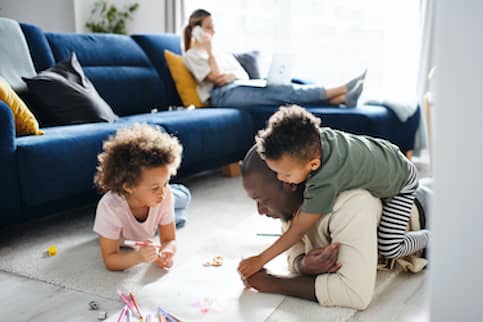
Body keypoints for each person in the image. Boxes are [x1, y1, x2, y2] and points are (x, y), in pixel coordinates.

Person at [238, 105, 430, 278]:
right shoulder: (314, 139)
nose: (280, 179)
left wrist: (260, 260)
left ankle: (430, 237)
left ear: (313, 164)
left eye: (286, 174)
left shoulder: (325, 180)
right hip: (388, 155)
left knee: (389, 245)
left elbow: (297, 230)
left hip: (403, 181)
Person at [239, 146, 429, 309]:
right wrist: (302, 264)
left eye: (262, 201)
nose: (260, 211)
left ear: (289, 181)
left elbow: (354, 293)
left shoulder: (351, 202)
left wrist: (272, 283)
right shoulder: (292, 205)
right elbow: (293, 247)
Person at [182, 9, 365, 108]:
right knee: (283, 92)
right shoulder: (192, 55)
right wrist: (210, 52)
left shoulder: (221, 52)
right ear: (196, 29)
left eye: (213, 27)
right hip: (221, 96)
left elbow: (240, 75)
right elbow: (217, 79)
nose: (213, 32)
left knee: (283, 90)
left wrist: (230, 75)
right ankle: (342, 89)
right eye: (208, 28)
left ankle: (343, 99)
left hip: (239, 86)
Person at [93, 124, 184, 271]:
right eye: (155, 188)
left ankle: (180, 193)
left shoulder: (165, 195)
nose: (163, 193)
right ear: (128, 186)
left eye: (166, 183)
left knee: (180, 198)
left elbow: (169, 240)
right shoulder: (110, 207)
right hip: (134, 231)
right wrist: (138, 257)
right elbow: (110, 260)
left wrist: (167, 251)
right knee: (178, 210)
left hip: (156, 213)